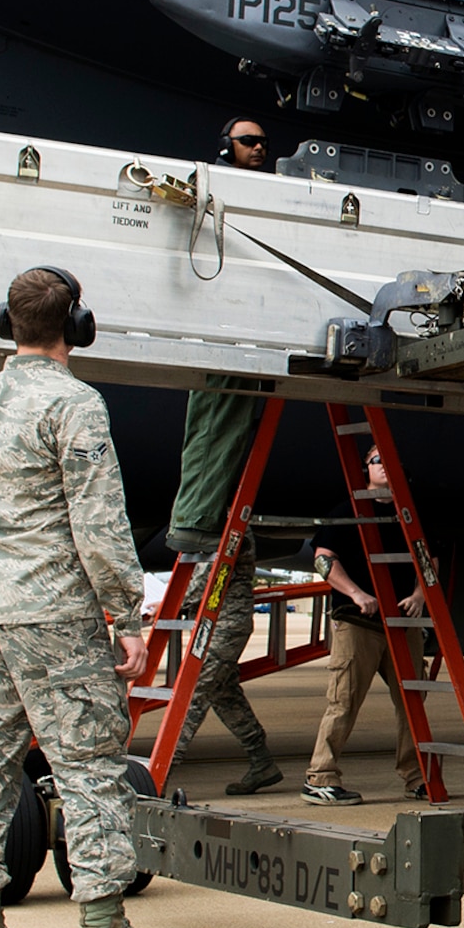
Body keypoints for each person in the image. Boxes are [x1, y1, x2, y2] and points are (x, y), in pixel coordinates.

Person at [0, 267, 185, 928]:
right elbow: (100, 524)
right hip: (55, 616)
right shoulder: (76, 405)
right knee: (86, 764)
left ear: (4, 322)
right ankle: (103, 927)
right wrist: (127, 616)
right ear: (76, 326)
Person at [161, 117, 283, 795]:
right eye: (247, 140)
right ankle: (261, 758)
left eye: (264, 141)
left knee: (207, 670)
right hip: (218, 534)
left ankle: (166, 758)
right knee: (216, 669)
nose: (259, 149)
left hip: (223, 541)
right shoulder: (214, 197)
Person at [303, 445, 431, 805]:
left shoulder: (411, 517)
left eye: (390, 461)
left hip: (403, 626)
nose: (384, 467)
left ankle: (417, 777)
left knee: (412, 705)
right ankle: (320, 777)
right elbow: (323, 560)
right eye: (377, 461)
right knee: (343, 701)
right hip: (359, 625)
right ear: (365, 470)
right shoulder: (347, 513)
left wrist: (420, 595)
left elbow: (428, 558)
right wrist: (357, 594)